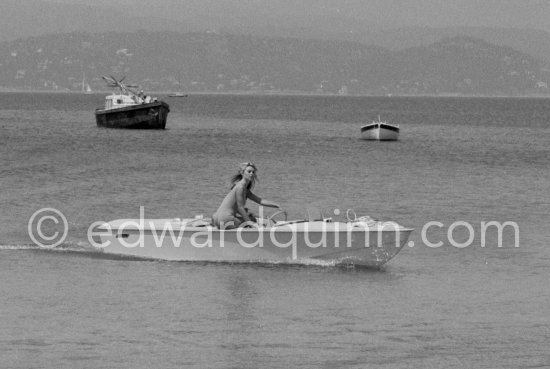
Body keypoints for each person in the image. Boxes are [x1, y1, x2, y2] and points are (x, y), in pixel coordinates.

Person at [212, 162, 282, 229]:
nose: (251, 174)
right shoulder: (240, 188)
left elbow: (260, 201)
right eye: (249, 171)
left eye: (253, 172)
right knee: (254, 220)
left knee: (252, 217)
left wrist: (277, 205)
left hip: (217, 219)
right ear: (242, 173)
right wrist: (251, 224)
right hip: (225, 221)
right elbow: (240, 208)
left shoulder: (242, 188)